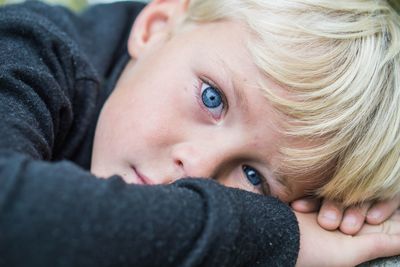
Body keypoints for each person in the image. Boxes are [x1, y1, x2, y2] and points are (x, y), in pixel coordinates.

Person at [0, 0, 399, 266]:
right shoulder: (25, 49)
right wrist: (282, 239)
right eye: (212, 98)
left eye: (254, 177)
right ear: (156, 27)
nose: (198, 168)